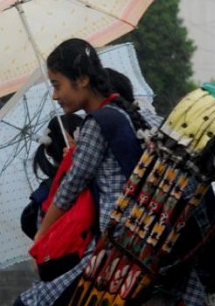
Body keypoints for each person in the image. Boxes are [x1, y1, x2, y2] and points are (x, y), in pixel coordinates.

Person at [15, 39, 151, 306]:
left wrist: (41, 237)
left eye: (57, 85)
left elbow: (68, 190)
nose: (55, 95)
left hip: (112, 251)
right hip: (131, 242)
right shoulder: (121, 113)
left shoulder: (97, 124)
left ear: (83, 80)